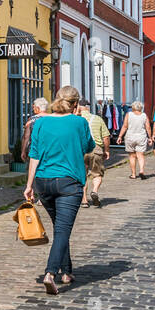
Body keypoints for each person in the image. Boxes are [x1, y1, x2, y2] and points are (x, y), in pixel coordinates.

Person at [23, 85, 94, 295]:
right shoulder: (79, 122)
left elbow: (34, 155)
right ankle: (50, 273)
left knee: (60, 228)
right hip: (68, 183)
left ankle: (66, 272)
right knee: (62, 230)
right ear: (75, 104)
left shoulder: (41, 122)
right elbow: (88, 146)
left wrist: (29, 185)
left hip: (43, 182)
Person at [77, 99, 109, 207]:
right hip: (96, 149)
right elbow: (106, 137)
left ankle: (84, 200)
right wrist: (106, 150)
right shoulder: (97, 119)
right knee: (97, 173)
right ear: (88, 107)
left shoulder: (76, 119)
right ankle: (94, 190)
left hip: (80, 150)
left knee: (82, 175)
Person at [116, 101, 151, 179]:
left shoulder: (129, 115)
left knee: (132, 156)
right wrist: (150, 137)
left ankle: (133, 174)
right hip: (141, 137)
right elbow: (148, 127)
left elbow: (125, 126)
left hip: (130, 137)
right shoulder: (144, 115)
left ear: (133, 107)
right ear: (141, 107)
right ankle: (141, 170)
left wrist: (120, 136)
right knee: (140, 155)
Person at [20, 97, 48, 161]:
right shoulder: (52, 118)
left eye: (33, 107)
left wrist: (23, 151)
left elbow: (26, 137)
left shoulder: (32, 120)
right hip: (49, 151)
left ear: (38, 108)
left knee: (32, 169)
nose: (33, 109)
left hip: (34, 151)